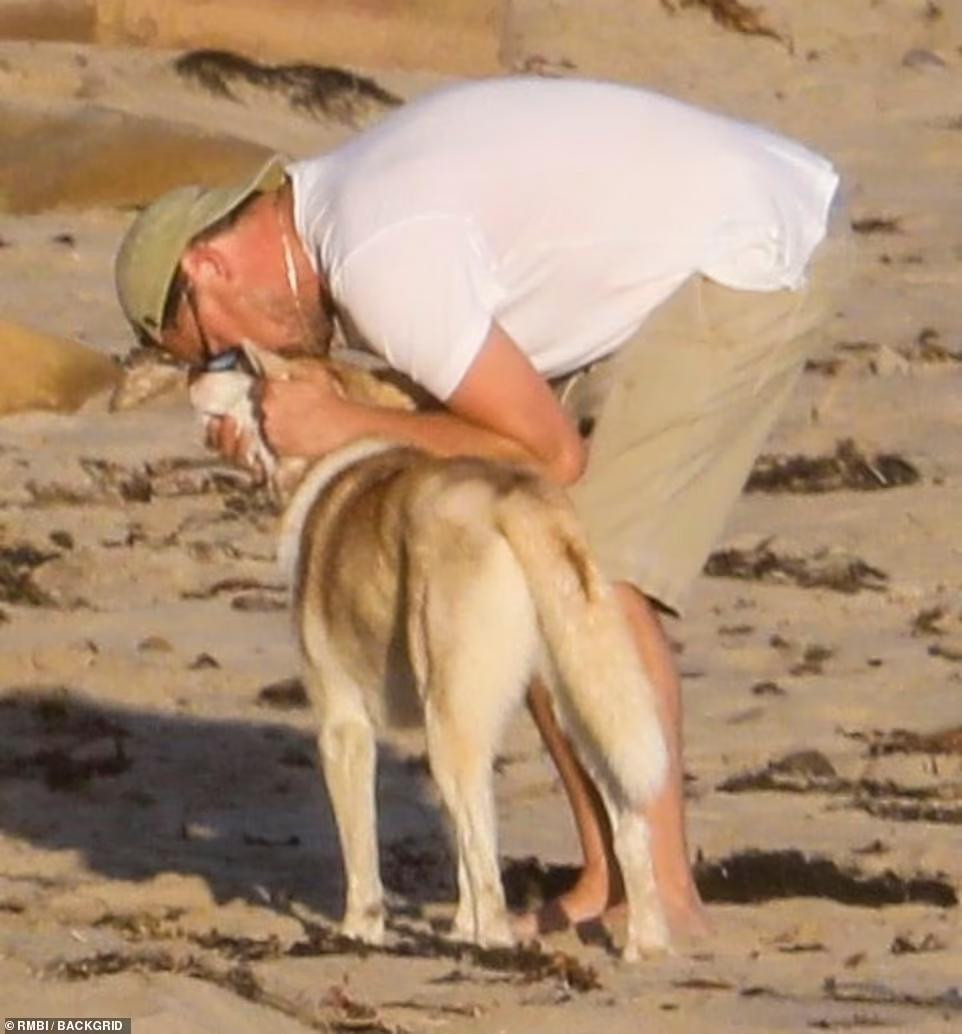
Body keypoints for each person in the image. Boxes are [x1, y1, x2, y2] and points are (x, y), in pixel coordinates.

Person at [115, 75, 851, 942]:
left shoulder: (376, 259)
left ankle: (664, 898)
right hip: (688, 246)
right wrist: (310, 430)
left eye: (212, 347)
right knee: (524, 554)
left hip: (754, 249)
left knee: (585, 566)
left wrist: (341, 422)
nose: (240, 357)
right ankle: (605, 879)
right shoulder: (339, 213)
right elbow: (441, 411)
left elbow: (548, 455)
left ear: (206, 266)